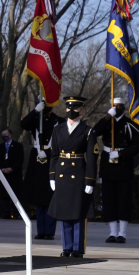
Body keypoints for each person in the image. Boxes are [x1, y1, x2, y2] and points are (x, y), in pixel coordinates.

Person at [47, 96, 97, 257]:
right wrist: (52, 176)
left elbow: (92, 158)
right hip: (62, 174)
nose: (70, 111)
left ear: (81, 110)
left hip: (78, 174)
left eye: (75, 108)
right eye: (68, 108)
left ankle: (77, 248)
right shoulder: (58, 129)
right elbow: (54, 155)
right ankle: (66, 247)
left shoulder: (87, 131)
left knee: (78, 213)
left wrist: (90, 180)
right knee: (64, 212)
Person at [91, 96, 139, 243]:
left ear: (123, 108)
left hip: (123, 165)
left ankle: (122, 233)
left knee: (123, 200)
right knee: (109, 199)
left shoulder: (130, 124)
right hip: (108, 164)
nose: (117, 108)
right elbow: (94, 132)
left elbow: (138, 145)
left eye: (119, 106)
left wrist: (121, 153)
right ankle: (112, 232)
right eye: (114, 106)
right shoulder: (107, 123)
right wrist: (107, 117)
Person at [21, 102, 61, 240]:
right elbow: (24, 124)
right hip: (37, 160)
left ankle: (49, 231)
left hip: (51, 158)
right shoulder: (36, 120)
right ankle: (41, 230)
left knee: (50, 197)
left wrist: (49, 152)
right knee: (38, 197)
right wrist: (35, 111)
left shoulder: (58, 121)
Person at [0, 128, 24, 219]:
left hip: (15, 175)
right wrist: (1, 169)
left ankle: (16, 213)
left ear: (10, 135)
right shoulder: (0, 147)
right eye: (3, 134)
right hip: (4, 174)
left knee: (15, 194)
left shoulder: (18, 146)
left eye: (5, 134)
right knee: (4, 194)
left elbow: (20, 160)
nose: (4, 136)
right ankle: (5, 213)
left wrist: (11, 168)